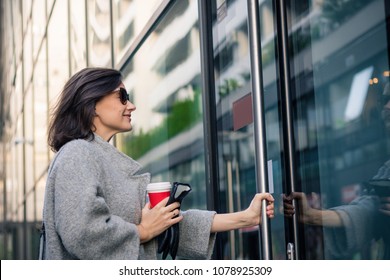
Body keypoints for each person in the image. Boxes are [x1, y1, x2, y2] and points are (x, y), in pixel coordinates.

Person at [40, 67, 275, 260]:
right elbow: (82, 232)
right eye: (122, 96)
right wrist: (142, 231)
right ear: (92, 104)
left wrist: (246, 217)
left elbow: (166, 223)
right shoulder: (77, 153)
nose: (131, 106)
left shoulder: (97, 158)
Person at [283, 83, 390, 259]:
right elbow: (367, 212)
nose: (386, 107)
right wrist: (312, 215)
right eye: (385, 100)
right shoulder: (387, 169)